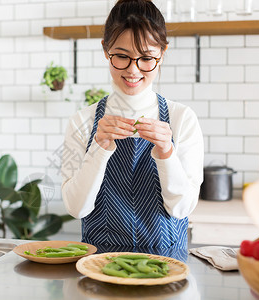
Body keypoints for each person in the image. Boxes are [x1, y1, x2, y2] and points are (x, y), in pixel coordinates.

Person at [61, 0, 204, 250]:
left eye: (147, 58)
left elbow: (181, 208)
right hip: (100, 269)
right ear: (106, 50)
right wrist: (98, 148)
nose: (133, 70)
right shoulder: (83, 121)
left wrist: (166, 153)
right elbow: (76, 208)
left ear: (163, 52)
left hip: (166, 269)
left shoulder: (182, 118)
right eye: (121, 56)